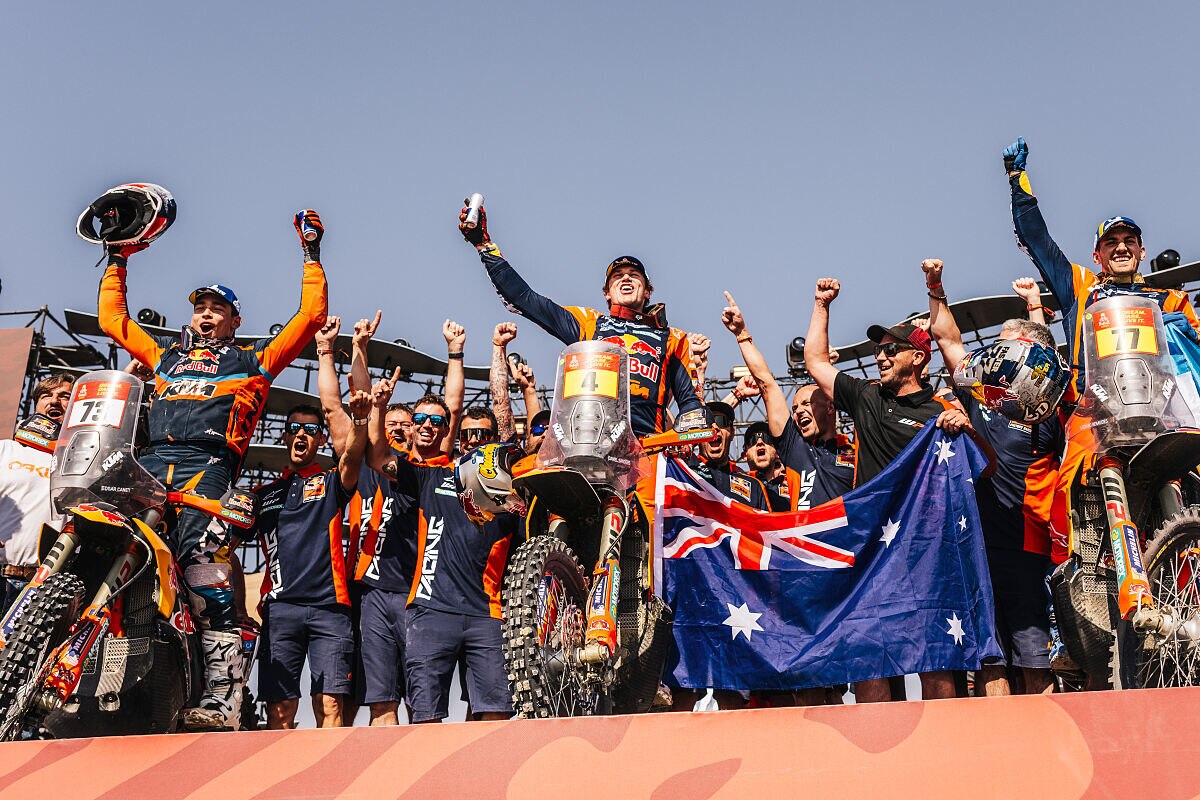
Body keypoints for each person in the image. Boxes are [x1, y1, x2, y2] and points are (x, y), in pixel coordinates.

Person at [97, 210, 328, 730]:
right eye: (200, 307)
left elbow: (310, 317)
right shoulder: (165, 356)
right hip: (149, 463)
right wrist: (117, 259)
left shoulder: (255, 361)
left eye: (216, 308)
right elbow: (113, 322)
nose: (205, 315)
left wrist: (311, 255)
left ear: (234, 320)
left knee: (207, 578)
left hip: (209, 469)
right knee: (113, 556)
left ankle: (223, 703)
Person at [1002, 137, 1200, 570]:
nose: (1122, 247)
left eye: (1130, 239)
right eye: (1112, 242)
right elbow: (1038, 241)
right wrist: (1018, 182)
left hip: (1165, 421)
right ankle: (1093, 578)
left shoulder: (1171, 301)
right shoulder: (1082, 287)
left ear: (1143, 251)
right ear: (1099, 254)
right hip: (1095, 423)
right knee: (1084, 531)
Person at [804, 276, 970, 703]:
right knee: (868, 658)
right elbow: (816, 361)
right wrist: (821, 305)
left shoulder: (941, 412)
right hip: (871, 551)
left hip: (926, 553)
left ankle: (943, 754)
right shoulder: (868, 398)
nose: (879, 355)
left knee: (934, 656)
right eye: (878, 349)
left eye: (889, 349)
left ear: (918, 357)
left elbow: (980, 474)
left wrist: (961, 428)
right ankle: (878, 760)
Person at [924, 258, 1059, 696]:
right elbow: (947, 337)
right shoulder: (978, 389)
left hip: (1026, 547)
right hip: (976, 544)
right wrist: (936, 285)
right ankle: (1002, 757)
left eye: (1007, 346)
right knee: (991, 661)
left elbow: (1054, 362)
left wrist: (1037, 310)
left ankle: (1049, 751)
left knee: (1035, 660)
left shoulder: (1049, 413)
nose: (995, 355)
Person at [367, 323, 513, 723]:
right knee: (425, 717)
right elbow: (379, 458)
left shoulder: (509, 487)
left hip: (488, 614)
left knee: (495, 716)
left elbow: (502, 416)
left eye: (482, 436)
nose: (474, 441)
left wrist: (483, 350)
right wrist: (378, 409)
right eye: (467, 435)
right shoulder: (431, 476)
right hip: (432, 610)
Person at [459, 204, 704, 437]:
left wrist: (695, 425)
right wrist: (484, 246)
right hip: (588, 445)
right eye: (617, 276)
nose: (626, 278)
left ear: (648, 290)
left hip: (647, 450)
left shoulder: (673, 339)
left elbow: (691, 403)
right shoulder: (590, 324)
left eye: (634, 275)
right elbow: (525, 298)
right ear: (607, 293)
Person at [315, 314, 417, 726]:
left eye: (402, 426)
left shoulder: (416, 472)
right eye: (389, 424)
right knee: (355, 693)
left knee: (416, 692)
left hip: (409, 593)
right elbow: (345, 406)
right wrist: (352, 349)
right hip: (359, 588)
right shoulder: (360, 463)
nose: (394, 430)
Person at [251, 394, 369, 729]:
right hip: (280, 609)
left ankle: (328, 780)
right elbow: (225, 548)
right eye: (294, 429)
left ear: (320, 440)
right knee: (279, 709)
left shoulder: (331, 480)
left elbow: (353, 458)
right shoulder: (263, 495)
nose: (301, 435)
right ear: (284, 436)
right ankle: (278, 779)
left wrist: (359, 421)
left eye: (310, 430)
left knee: (330, 705)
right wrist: (237, 608)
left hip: (329, 608)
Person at [670, 401, 772, 712]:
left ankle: (743, 753)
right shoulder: (679, 474)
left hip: (737, 596)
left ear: (730, 434)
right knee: (683, 689)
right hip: (692, 594)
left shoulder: (751, 484)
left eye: (723, 425)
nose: (716, 431)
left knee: (733, 689)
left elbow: (766, 537)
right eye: (709, 424)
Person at [722, 291, 855, 511]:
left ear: (831, 406)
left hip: (848, 543)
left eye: (806, 404)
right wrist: (741, 334)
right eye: (794, 408)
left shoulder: (855, 451)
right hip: (806, 542)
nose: (798, 411)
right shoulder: (796, 448)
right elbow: (767, 384)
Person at [0, 373, 72, 613]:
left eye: (64, 396)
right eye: (46, 396)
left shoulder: (82, 462)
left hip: (46, 586)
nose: (53, 401)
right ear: (36, 404)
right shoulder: (6, 449)